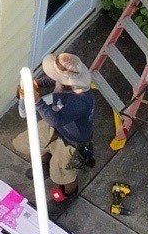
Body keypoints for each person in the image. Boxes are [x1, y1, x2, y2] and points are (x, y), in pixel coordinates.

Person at [36, 52, 101, 204]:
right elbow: (53, 80)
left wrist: (38, 101)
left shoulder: (80, 101)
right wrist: (38, 83)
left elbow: (55, 120)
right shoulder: (71, 82)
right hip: (61, 127)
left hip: (72, 140)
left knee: (63, 173)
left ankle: (68, 194)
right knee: (37, 141)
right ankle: (45, 165)